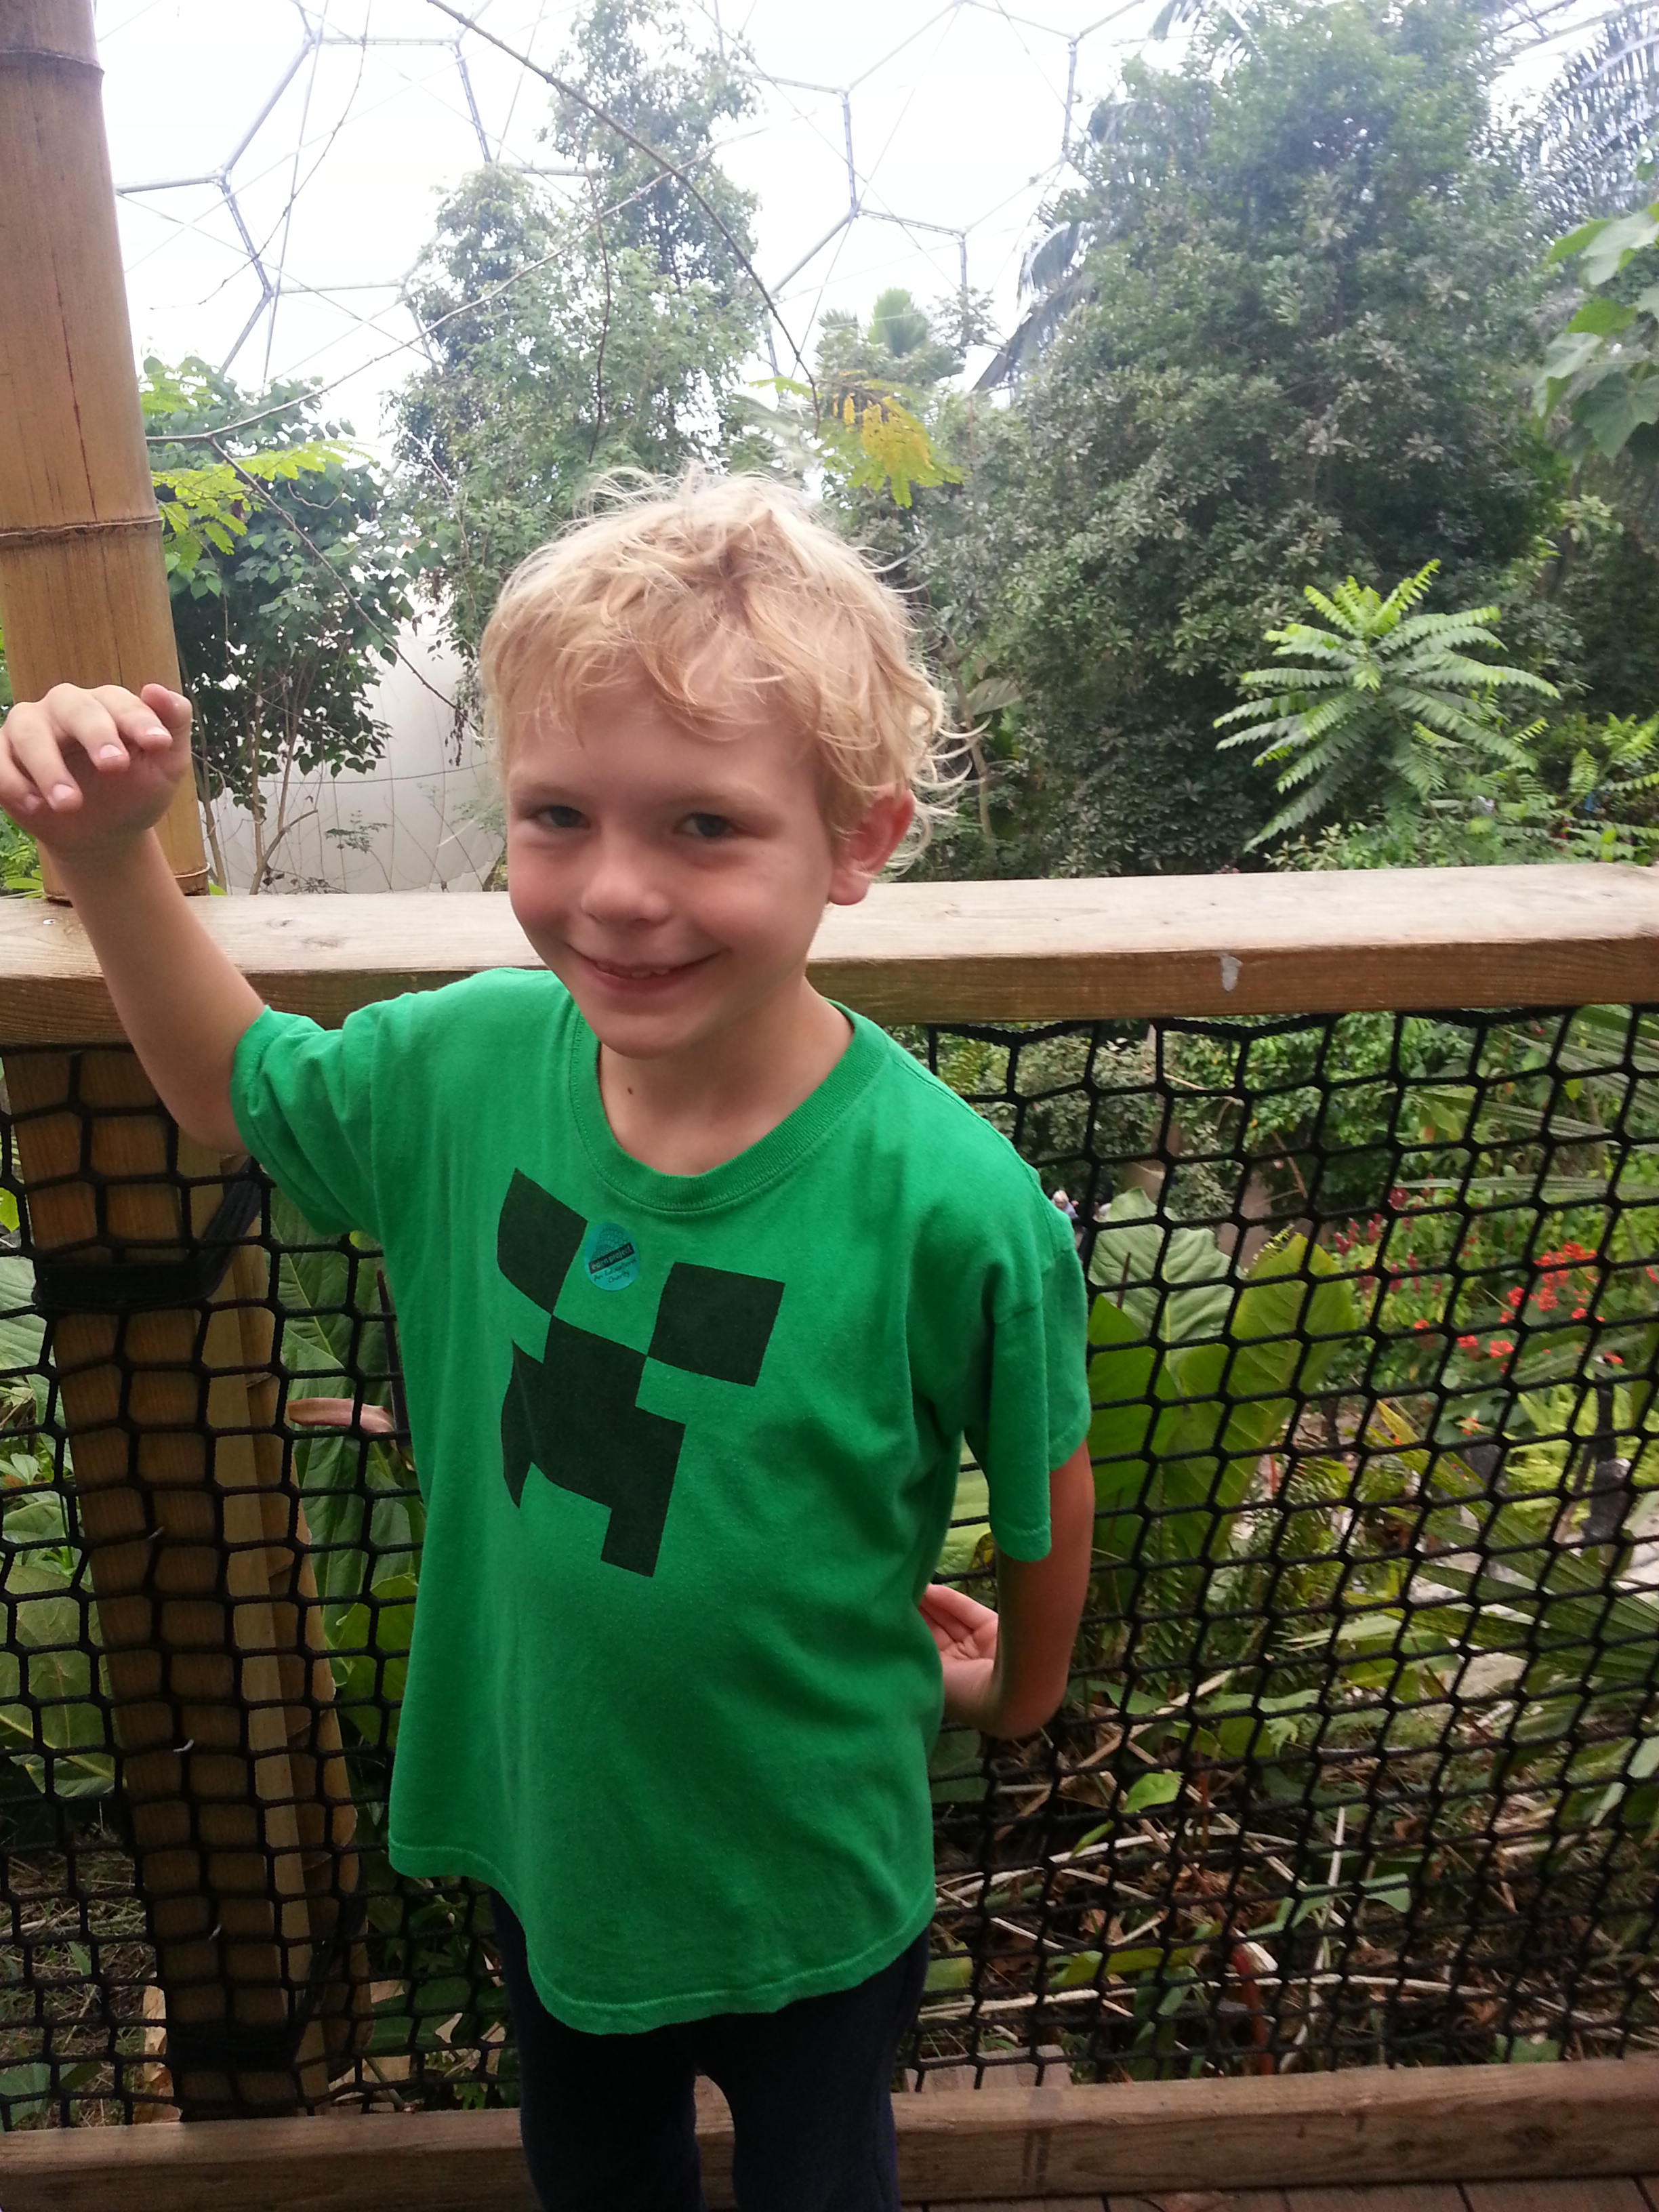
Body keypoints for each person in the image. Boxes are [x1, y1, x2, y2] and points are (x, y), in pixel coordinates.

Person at [0, 472, 1095, 2212]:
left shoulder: (954, 1203)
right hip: (553, 1841)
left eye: (706, 826)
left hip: (815, 1872)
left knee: (824, 2181)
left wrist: (1016, 1697)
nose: (617, 892)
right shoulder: (461, 1069)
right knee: (595, 2175)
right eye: (558, 816)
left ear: (859, 841)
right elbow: (231, 1086)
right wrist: (105, 848)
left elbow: (1044, 1485)